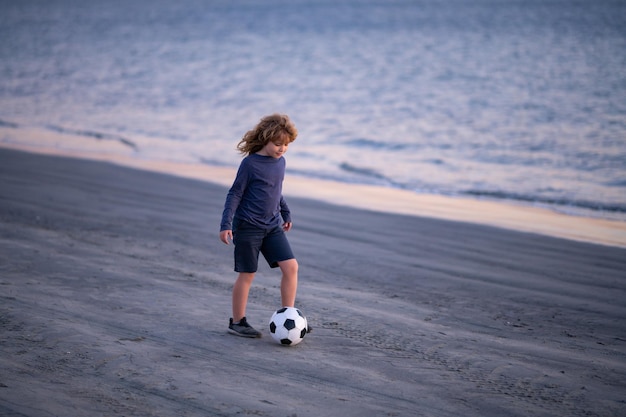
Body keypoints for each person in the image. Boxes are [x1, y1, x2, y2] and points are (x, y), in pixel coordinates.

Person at [219, 114, 299, 338]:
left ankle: (288, 315)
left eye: (286, 144)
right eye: (278, 144)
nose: (282, 148)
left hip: (272, 225)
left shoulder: (280, 162)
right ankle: (237, 322)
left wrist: (285, 211)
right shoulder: (250, 164)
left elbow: (275, 190)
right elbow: (235, 193)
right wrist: (226, 224)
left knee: (291, 267)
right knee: (247, 274)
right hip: (248, 226)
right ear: (265, 139)